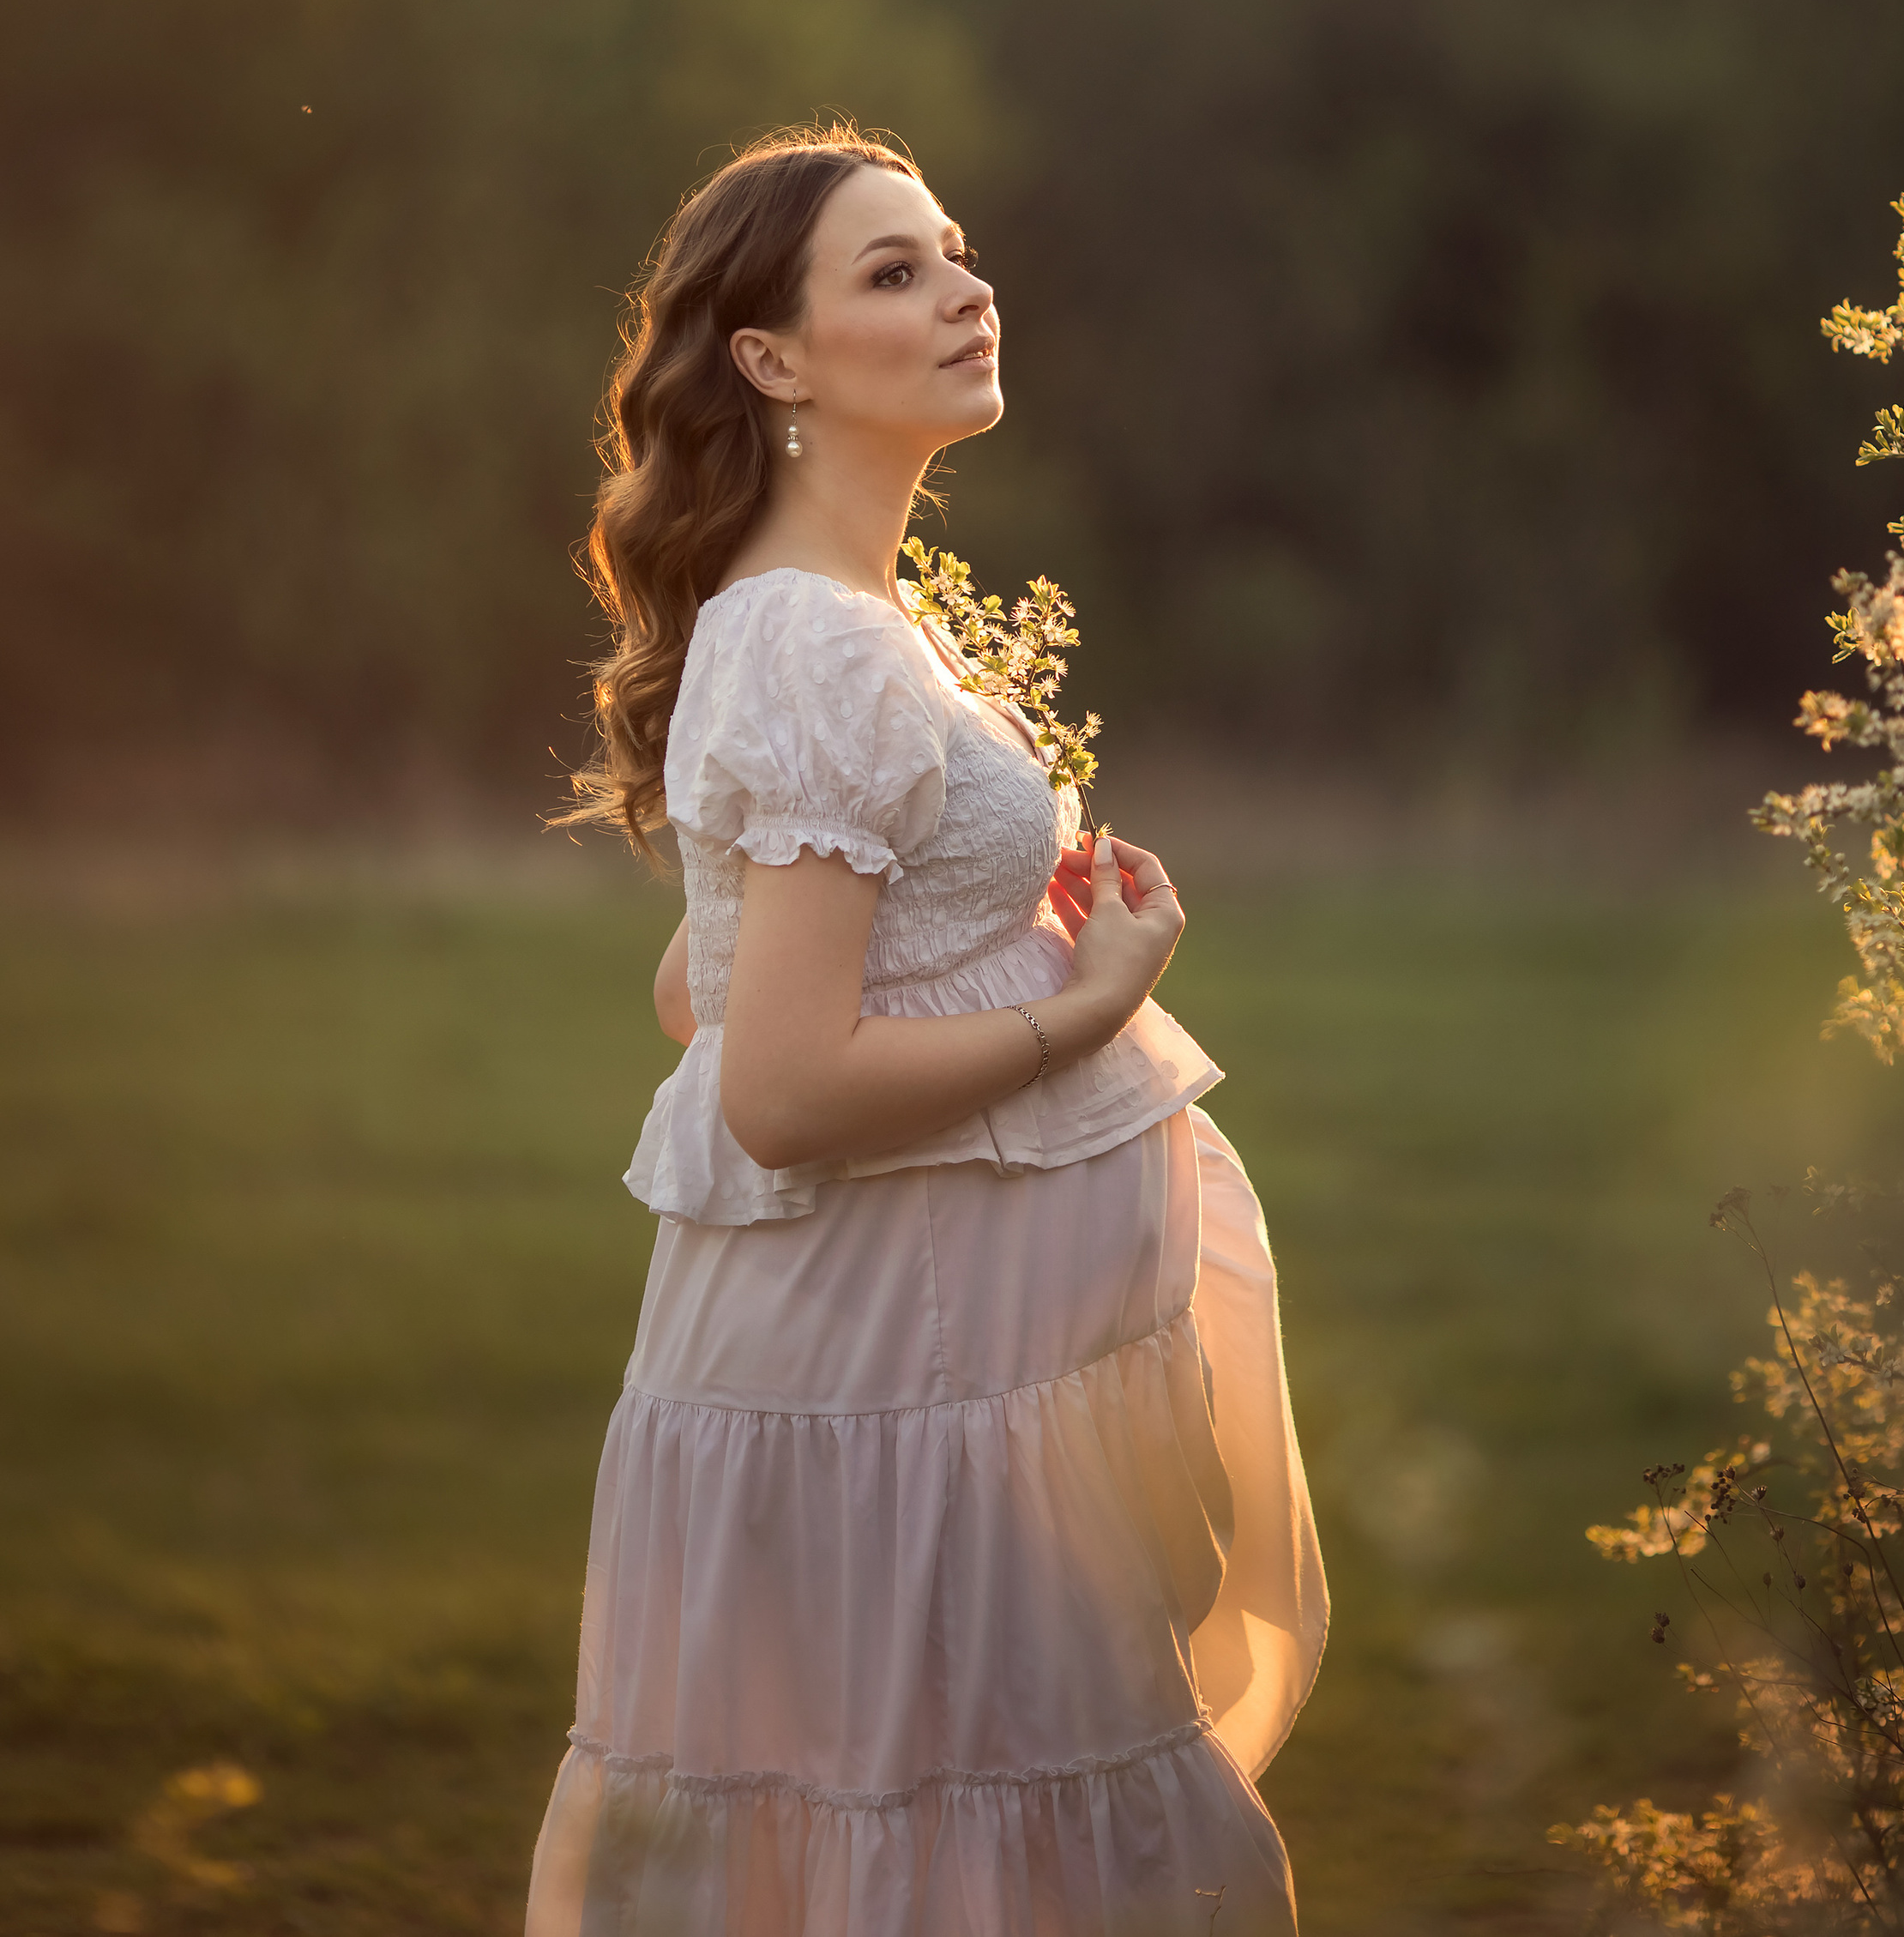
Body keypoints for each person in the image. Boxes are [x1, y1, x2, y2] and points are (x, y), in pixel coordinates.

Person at [524, 124, 1327, 1936]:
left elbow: (701, 982)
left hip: (953, 1372)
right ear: (772, 359)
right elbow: (781, 1085)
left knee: (941, 1815)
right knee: (904, 1828)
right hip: (898, 1370)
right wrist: (1084, 1009)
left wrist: (997, 930)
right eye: (894, 271)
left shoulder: (849, 622)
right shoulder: (811, 641)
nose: (967, 290)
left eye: (956, 251)